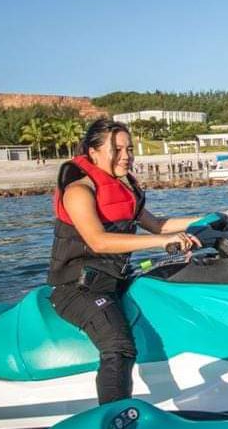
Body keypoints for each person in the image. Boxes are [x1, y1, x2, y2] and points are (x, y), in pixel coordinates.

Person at [47, 117, 203, 405]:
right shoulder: (79, 191)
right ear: (93, 152)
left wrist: (207, 219)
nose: (126, 156)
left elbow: (157, 224)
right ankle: (114, 423)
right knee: (119, 348)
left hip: (112, 282)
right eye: (116, 150)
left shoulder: (124, 189)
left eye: (129, 149)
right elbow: (98, 241)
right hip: (76, 290)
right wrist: (161, 242)